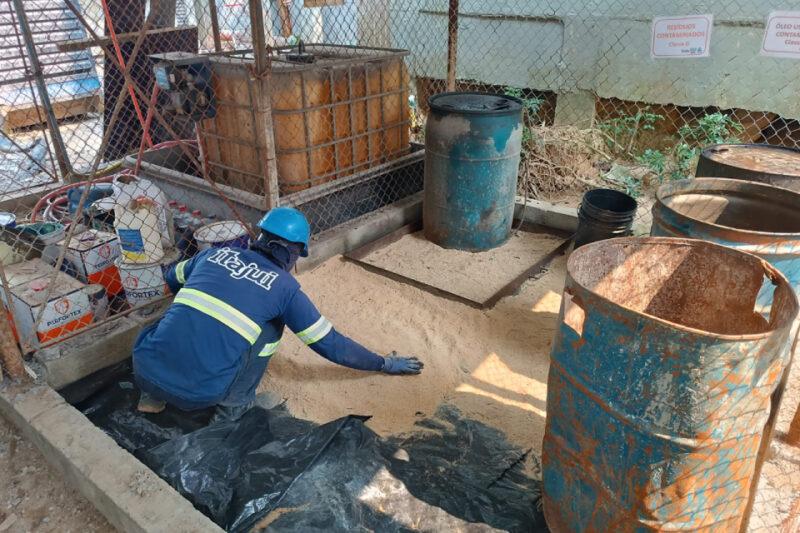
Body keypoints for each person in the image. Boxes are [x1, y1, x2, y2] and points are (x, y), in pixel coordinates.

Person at [132, 207, 423, 420]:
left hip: (142, 370)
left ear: (260, 236)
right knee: (270, 328)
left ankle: (152, 396)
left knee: (182, 305)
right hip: (199, 394)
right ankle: (235, 407)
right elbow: (330, 344)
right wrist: (383, 363)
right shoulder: (285, 289)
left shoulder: (213, 255)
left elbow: (171, 280)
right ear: (294, 252)